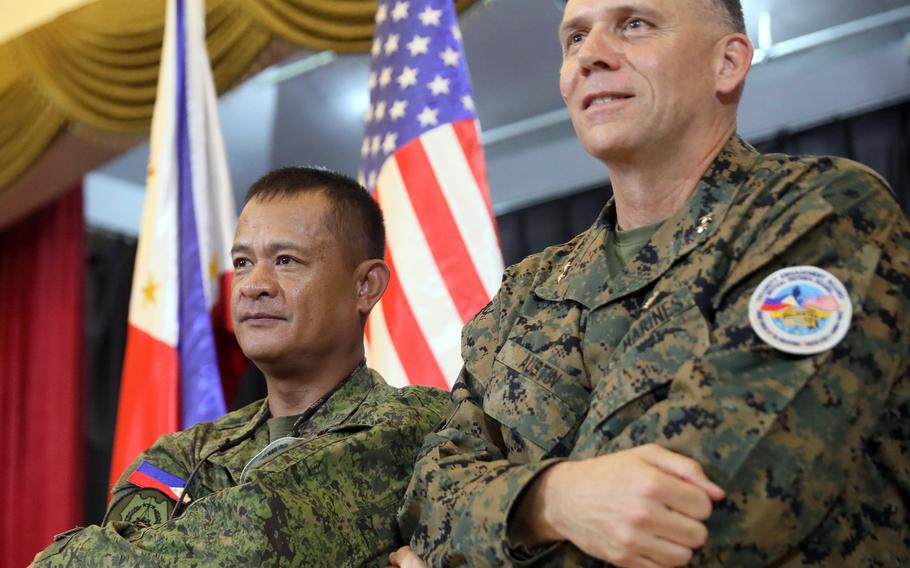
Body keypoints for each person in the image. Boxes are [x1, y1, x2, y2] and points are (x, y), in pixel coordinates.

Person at [391, 0, 910, 566]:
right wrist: (551, 500)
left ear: (727, 63)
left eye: (633, 24)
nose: (590, 55)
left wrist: (485, 536)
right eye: (574, 39)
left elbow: (705, 510)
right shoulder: (529, 289)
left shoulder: (821, 214)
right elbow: (428, 499)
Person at [33, 167, 451, 566]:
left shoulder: (423, 427)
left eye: (286, 260)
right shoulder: (183, 456)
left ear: (365, 285)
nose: (253, 285)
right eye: (243, 262)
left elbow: (255, 546)